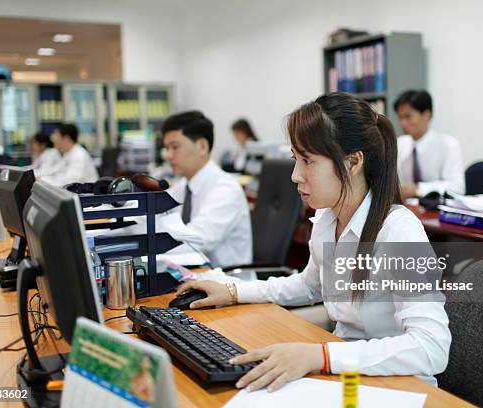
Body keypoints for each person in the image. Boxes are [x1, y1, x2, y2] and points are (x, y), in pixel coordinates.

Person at [176, 93, 451, 392]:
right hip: (347, 375)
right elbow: (309, 285)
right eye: (296, 159)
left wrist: (320, 355)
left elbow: (431, 348)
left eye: (308, 161)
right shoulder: (327, 217)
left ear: (353, 162)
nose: (296, 176)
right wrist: (231, 291)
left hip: (397, 385)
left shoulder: (398, 231)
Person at [161, 111, 252, 267]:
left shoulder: (225, 189)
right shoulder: (183, 186)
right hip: (194, 276)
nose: (168, 155)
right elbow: (151, 215)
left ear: (202, 146)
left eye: (175, 147)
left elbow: (194, 240)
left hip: (228, 283)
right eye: (166, 148)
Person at [394, 90, 464, 198]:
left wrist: (418, 189)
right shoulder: (399, 144)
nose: (402, 123)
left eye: (408, 117)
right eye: (400, 117)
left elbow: (457, 187)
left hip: (436, 208)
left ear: (426, 115)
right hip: (406, 208)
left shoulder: (449, 145)